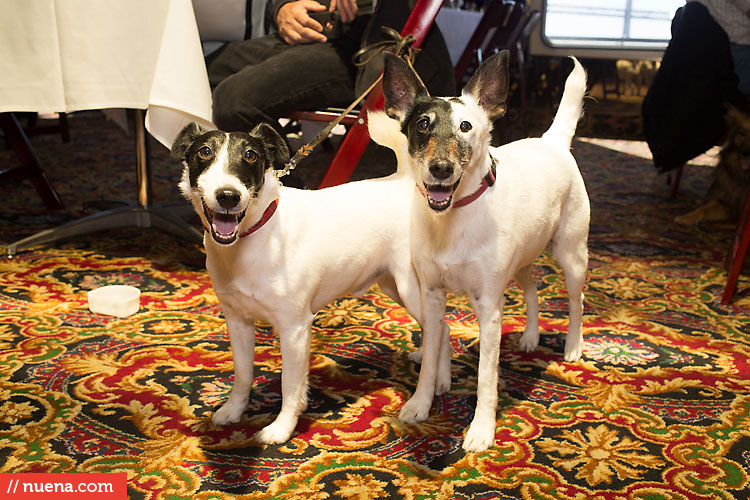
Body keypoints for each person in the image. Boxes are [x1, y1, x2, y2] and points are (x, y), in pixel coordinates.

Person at [206, 0, 455, 135]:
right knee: (200, 71)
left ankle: (288, 208)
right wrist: (283, 9)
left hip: (374, 45)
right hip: (315, 27)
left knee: (235, 100)